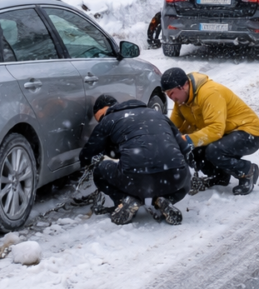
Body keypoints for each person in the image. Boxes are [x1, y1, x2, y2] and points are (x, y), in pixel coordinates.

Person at [79, 94, 193, 226]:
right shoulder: (158, 115)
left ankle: (125, 200)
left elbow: (87, 155)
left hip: (134, 177)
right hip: (174, 177)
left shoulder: (109, 119)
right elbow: (184, 148)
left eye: (101, 117)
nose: (101, 120)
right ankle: (166, 199)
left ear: (108, 109)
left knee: (99, 170)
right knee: (184, 171)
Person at [161, 68, 259, 195]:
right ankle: (221, 176)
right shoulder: (181, 101)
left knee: (214, 151)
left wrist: (188, 139)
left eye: (171, 93)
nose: (171, 98)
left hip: (249, 133)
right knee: (194, 151)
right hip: (227, 133)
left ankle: (247, 171)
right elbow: (174, 127)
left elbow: (216, 129)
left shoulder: (209, 93)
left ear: (183, 87)